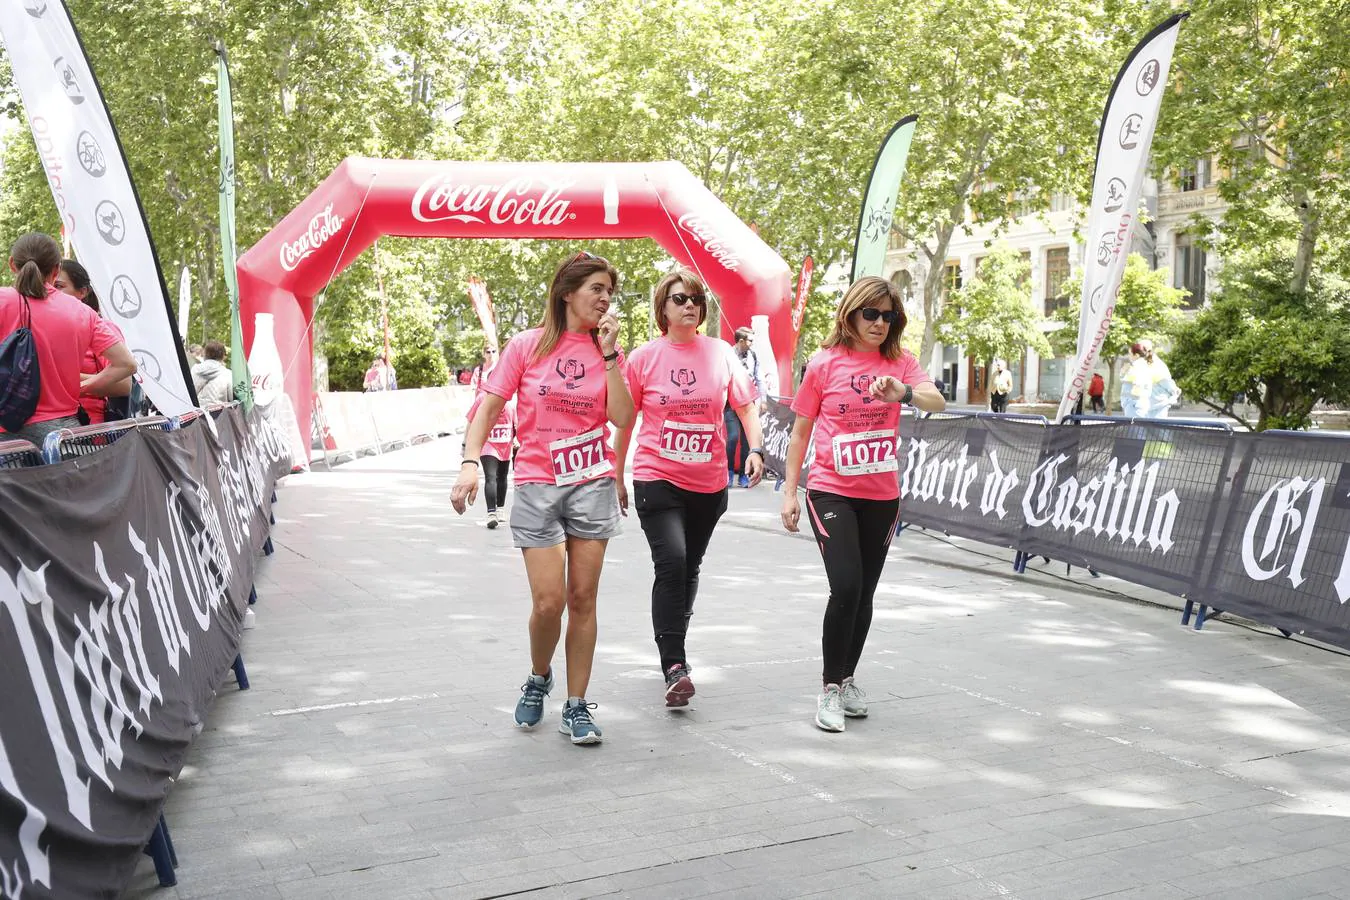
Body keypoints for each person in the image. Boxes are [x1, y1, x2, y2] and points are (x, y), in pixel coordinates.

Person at [450, 250, 633, 745]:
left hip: (591, 483)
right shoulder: (527, 346)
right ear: (567, 292)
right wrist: (471, 462)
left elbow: (621, 416)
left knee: (583, 598)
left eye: (609, 292)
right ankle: (538, 676)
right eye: (596, 289)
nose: (604, 299)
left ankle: (577, 705)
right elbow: (487, 410)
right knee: (549, 601)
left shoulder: (607, 352)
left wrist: (613, 356)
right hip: (535, 483)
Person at [780, 276, 946, 733]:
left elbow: (937, 400)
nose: (878, 323)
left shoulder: (899, 362)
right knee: (847, 587)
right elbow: (800, 432)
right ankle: (830, 687)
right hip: (831, 490)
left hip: (881, 496)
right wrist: (790, 492)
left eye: (887, 316)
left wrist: (904, 393)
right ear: (850, 314)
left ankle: (848, 679)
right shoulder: (824, 364)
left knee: (865, 593)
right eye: (869, 313)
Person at [613, 268, 764, 708]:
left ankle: (673, 631)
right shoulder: (644, 358)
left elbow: (747, 408)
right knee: (672, 563)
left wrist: (755, 450)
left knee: (690, 568)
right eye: (680, 299)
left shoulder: (720, 353)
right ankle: (674, 666)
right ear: (663, 307)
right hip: (656, 476)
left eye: (695, 298)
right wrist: (615, 474)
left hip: (708, 482)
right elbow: (625, 421)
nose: (690, 305)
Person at [0, 234, 136, 446]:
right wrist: (81, 387)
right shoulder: (82, 312)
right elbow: (127, 364)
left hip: (5, 438)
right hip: (62, 438)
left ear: (12, 264)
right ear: (56, 269)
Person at [54, 259, 132, 424]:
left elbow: (124, 385)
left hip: (89, 433)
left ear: (82, 292)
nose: (51, 292)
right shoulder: (38, 325)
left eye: (59, 286)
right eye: (48, 285)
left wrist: (67, 380)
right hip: (44, 429)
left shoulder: (102, 327)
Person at [467, 390, 516, 530]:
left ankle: (500, 509)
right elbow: (471, 421)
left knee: (502, 477)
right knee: (491, 476)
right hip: (488, 445)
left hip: (505, 444)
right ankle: (491, 513)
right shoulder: (481, 399)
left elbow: (517, 423)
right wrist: (466, 444)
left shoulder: (510, 400)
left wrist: (517, 439)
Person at [724, 326, 763, 488]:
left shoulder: (753, 355)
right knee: (732, 438)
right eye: (750, 340)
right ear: (741, 341)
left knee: (748, 441)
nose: (753, 344)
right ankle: (728, 472)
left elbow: (759, 379)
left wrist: (762, 400)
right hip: (730, 405)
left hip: (749, 403)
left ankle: (744, 474)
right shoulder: (728, 355)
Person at [191, 340, 234, 405]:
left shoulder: (195, 369)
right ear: (223, 356)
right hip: (219, 413)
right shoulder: (228, 374)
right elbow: (232, 398)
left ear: (205, 354)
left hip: (195, 411)